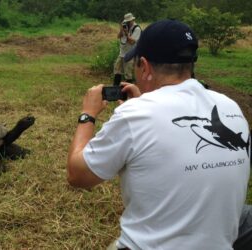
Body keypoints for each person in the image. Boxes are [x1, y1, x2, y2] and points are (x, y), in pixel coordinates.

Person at [67, 19, 251, 249]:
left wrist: (87, 115)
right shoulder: (230, 107)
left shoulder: (136, 114)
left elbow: (78, 176)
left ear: (144, 66)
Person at [113, 13, 141, 86]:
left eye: (129, 21)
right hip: (122, 52)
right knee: (117, 69)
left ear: (133, 20)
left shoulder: (136, 28)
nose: (128, 23)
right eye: (127, 21)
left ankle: (128, 90)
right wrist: (121, 30)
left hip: (130, 54)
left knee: (128, 73)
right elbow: (118, 36)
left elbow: (132, 42)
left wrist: (126, 33)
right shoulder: (124, 27)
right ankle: (115, 87)